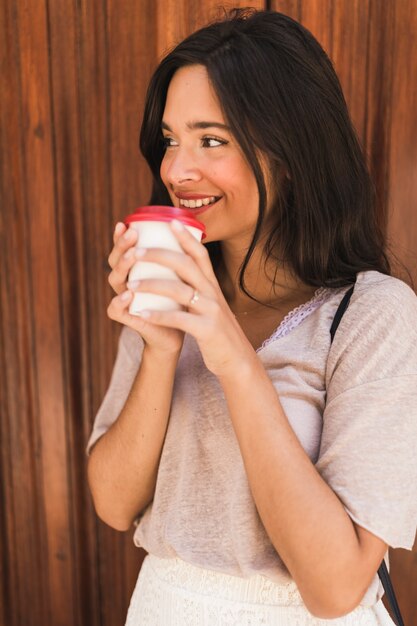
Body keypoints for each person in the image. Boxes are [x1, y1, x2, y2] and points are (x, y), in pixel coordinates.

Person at [86, 8, 417, 625]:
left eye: (212, 140)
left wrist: (234, 359)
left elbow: (335, 586)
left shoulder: (373, 316)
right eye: (170, 139)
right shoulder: (170, 290)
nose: (177, 170)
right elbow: (112, 503)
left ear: (291, 152)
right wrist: (159, 347)